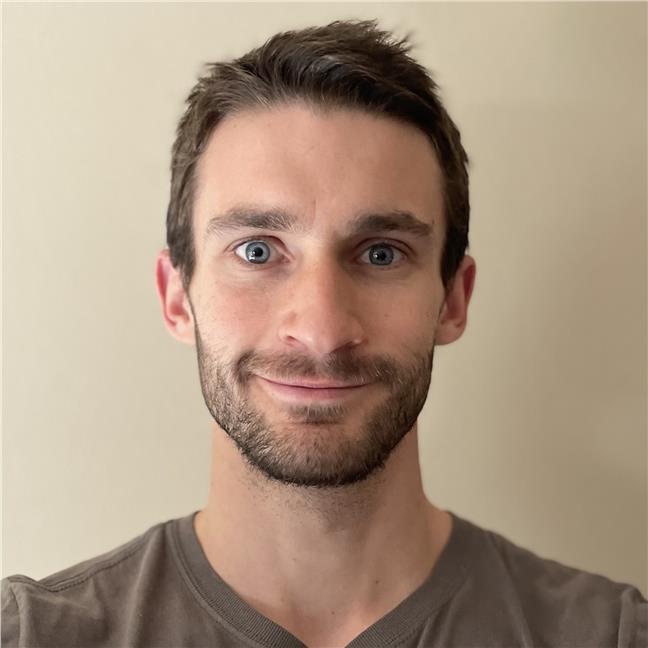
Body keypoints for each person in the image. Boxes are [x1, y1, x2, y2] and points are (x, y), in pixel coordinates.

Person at [2, 18, 646, 648]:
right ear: (177, 297)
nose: (321, 330)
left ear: (453, 299)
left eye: (381, 254)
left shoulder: (609, 635)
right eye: (257, 251)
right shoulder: (32, 635)